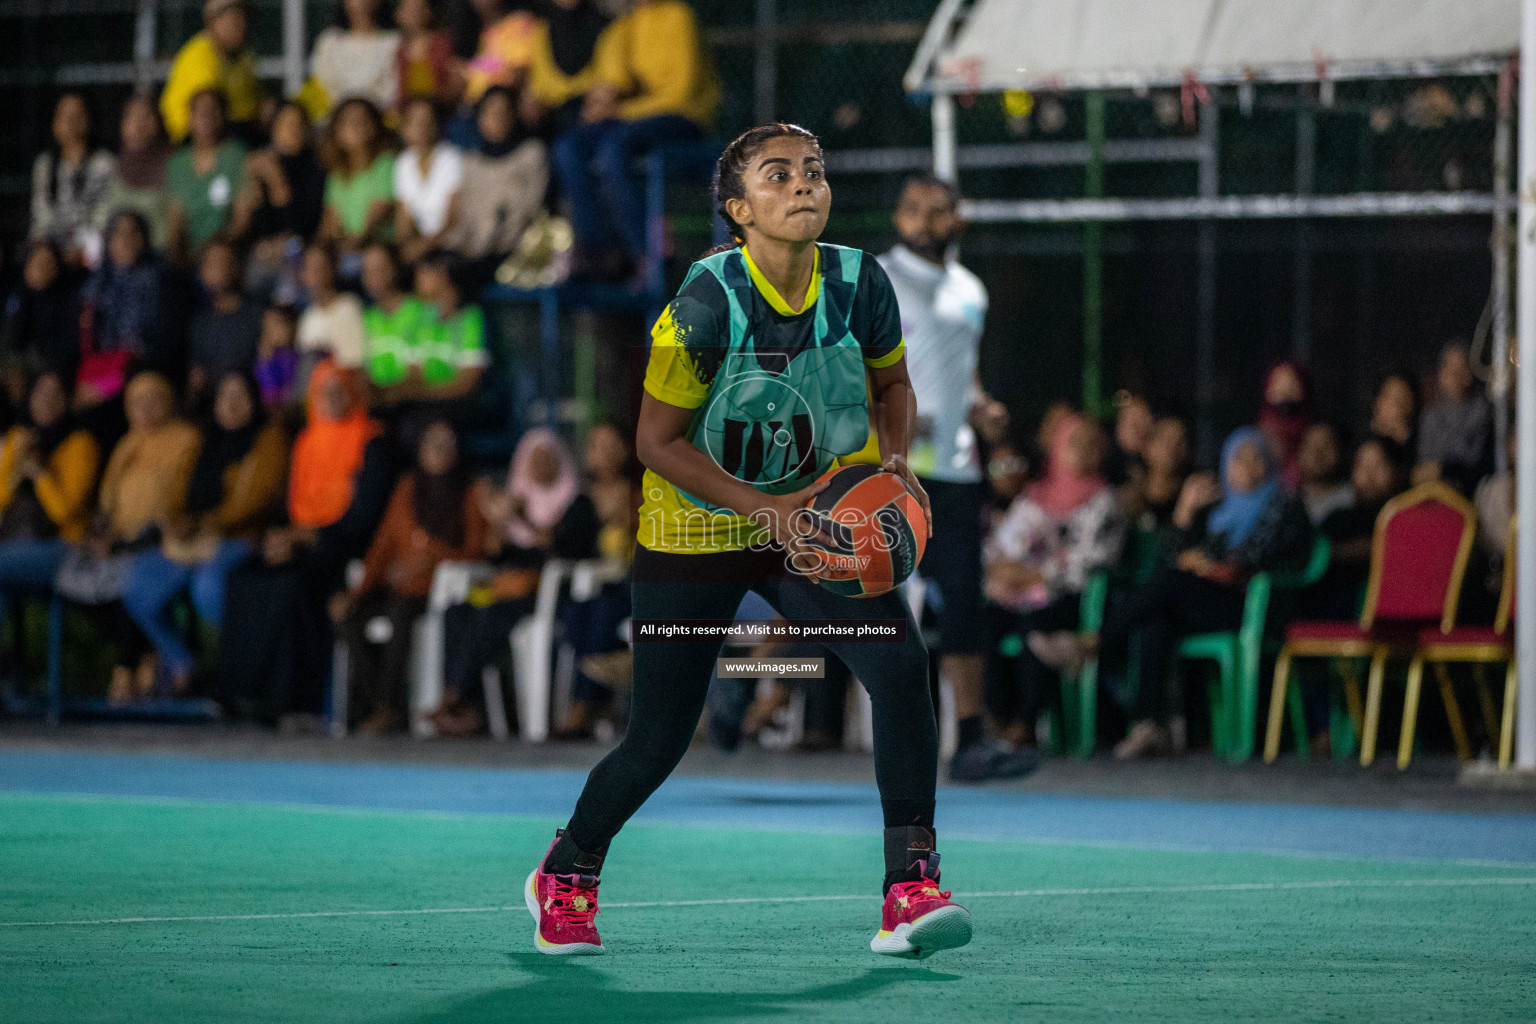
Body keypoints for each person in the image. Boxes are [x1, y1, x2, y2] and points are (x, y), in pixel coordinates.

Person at [524, 124, 970, 961]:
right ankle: (567, 869)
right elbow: (656, 441)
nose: (804, 185)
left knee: (901, 667)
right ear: (739, 211)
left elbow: (894, 384)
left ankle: (910, 888)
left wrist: (899, 464)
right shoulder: (703, 301)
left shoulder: (858, 280)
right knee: (659, 736)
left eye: (814, 171)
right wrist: (762, 511)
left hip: (816, 519)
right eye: (779, 176)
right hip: (696, 524)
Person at [876, 173, 1029, 782]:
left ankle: (969, 739)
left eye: (937, 212)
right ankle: (756, 687)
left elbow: (961, 375)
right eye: (912, 209)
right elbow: (847, 363)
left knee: (965, 600)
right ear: (898, 216)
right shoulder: (876, 279)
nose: (924, 222)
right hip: (888, 468)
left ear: (956, 220)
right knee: (839, 592)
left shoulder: (969, 290)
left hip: (957, 472)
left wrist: (982, 407)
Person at [1037, 428, 1312, 759]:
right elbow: (1166, 558)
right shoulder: (1217, 512)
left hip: (1255, 606)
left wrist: (1208, 565)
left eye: (1256, 458)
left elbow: (1259, 560)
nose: (1247, 467)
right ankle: (1147, 726)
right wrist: (1183, 512)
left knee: (1171, 584)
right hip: (1207, 602)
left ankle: (1091, 644)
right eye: (1239, 459)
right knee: (1158, 615)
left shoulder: (1283, 504)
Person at [219, 359, 392, 721]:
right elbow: (290, 506)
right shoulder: (306, 441)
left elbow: (363, 518)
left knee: (291, 586)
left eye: (339, 389)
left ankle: (294, 700)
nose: (331, 397)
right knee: (243, 577)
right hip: (302, 540)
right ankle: (241, 694)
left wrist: (308, 536)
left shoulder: (371, 441)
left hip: (343, 546)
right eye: (323, 390)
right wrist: (282, 537)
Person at [122, 373, 285, 692]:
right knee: (138, 584)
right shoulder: (204, 441)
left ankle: (248, 672)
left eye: (241, 397)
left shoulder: (268, 439)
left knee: (208, 588)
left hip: (242, 537)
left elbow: (259, 497)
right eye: (225, 397)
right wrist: (176, 520)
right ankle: (184, 664)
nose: (233, 405)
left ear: (255, 402)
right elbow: (179, 491)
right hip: (193, 541)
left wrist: (207, 523)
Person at [434, 428, 597, 737]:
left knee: (490, 615)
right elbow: (494, 555)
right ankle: (465, 701)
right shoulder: (514, 498)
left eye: (548, 458)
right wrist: (497, 521)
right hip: (503, 586)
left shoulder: (576, 503)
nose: (540, 466)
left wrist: (523, 520)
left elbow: (560, 551)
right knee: (459, 608)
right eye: (534, 459)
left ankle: (457, 699)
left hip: (541, 592)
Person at [331, 419, 484, 733]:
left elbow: (474, 552)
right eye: (431, 444)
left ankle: (387, 707)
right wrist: (357, 592)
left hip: (436, 593)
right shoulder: (406, 489)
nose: (438, 452)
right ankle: (379, 704)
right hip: (396, 585)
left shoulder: (468, 493)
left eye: (446, 444)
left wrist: (432, 561)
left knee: (401, 614)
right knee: (349, 618)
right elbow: (383, 545)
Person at [984, 414, 1122, 752]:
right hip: (1022, 594)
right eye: (1075, 444)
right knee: (984, 624)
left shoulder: (1104, 502)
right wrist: (1007, 571)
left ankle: (1026, 721)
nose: (1084, 452)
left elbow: (1090, 563)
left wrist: (1037, 575)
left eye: (1092, 445)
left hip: (1073, 599)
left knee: (1035, 624)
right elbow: (999, 551)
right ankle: (997, 718)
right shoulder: (1034, 497)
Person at [554, 0, 718, 281]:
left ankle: (648, 254)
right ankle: (602, 250)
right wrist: (602, 99)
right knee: (569, 147)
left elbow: (679, 96)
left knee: (613, 149)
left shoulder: (677, 16)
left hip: (681, 117)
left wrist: (619, 110)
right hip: (630, 120)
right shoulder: (624, 27)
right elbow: (611, 81)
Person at [69, 372, 201, 702]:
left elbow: (181, 497)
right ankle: (146, 653)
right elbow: (107, 502)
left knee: (130, 579)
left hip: (161, 538)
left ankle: (127, 666)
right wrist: (106, 535)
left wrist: (144, 531)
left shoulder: (185, 439)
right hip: (118, 540)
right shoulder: (127, 444)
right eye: (137, 402)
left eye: (153, 401)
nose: (145, 409)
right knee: (78, 584)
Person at [1293, 434, 1411, 753]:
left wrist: (1359, 551)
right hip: (1329, 609)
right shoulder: (1338, 518)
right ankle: (1323, 729)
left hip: (1391, 616)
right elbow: (1317, 555)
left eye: (1378, 465)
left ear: (1398, 472)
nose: (1368, 475)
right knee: (1301, 619)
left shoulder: (1408, 517)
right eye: (1361, 465)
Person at [0, 373, 101, 628]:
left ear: (67, 400)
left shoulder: (81, 444)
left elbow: (63, 513)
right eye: (40, 393)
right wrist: (14, 480)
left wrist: (41, 474)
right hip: (12, 538)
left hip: (62, 544)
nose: (46, 400)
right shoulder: (19, 437)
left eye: (55, 394)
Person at [77, 210, 181, 427]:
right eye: (118, 234)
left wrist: (116, 379)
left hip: (144, 372)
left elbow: (167, 341)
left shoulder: (162, 280)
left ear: (145, 239)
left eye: (134, 233)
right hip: (102, 372)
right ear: (109, 242)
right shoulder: (95, 286)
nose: (126, 240)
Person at [440, 87, 547, 266]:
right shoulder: (470, 162)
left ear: (514, 115)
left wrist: (493, 247)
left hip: (515, 251)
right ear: (480, 118)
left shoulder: (532, 154)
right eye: (490, 111)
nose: (497, 118)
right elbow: (464, 220)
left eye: (504, 111)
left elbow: (530, 210)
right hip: (473, 253)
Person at [239, 102, 327, 291]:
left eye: (298, 125)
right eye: (286, 124)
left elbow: (303, 225)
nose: (292, 131)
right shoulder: (262, 162)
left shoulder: (316, 168)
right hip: (267, 251)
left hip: (303, 248)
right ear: (274, 129)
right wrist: (255, 185)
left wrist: (277, 182)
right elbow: (260, 226)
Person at [30, 94, 115, 265]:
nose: (71, 123)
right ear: (55, 124)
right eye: (65, 116)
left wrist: (80, 252)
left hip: (91, 254)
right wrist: (47, 250)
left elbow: (103, 218)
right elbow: (41, 218)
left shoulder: (104, 163)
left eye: (78, 116)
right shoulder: (45, 165)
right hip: (52, 253)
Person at [161, 0, 262, 145]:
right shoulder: (201, 53)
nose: (242, 25)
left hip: (232, 134)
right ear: (212, 21)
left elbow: (253, 107)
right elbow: (208, 111)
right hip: (189, 144)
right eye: (234, 19)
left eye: (245, 17)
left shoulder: (242, 57)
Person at [166, 89, 249, 258]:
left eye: (213, 109)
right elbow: (176, 221)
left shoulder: (235, 156)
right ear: (190, 118)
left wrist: (214, 249)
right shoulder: (178, 163)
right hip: (190, 253)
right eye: (200, 110)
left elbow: (242, 220)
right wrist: (177, 256)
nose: (207, 115)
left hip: (226, 249)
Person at [2, 239, 83, 404]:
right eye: (36, 262)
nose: (41, 268)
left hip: (56, 372)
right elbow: (13, 340)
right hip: (23, 370)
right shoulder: (18, 296)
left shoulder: (68, 299)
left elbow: (70, 346)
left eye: (48, 263)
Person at [187, 240, 263, 407]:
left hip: (254, 404)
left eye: (223, 262)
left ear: (236, 267)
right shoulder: (199, 322)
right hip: (214, 409)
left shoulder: (258, 315)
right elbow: (197, 377)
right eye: (210, 263)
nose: (217, 269)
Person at [320, 98, 398, 257]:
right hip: (345, 248)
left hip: (378, 248)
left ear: (373, 125)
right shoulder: (337, 174)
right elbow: (330, 222)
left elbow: (379, 212)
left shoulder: (385, 163)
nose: (356, 126)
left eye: (362, 120)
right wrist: (320, 248)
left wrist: (351, 245)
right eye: (348, 121)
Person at [99, 96, 174, 253]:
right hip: (119, 260)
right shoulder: (111, 166)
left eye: (146, 117)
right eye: (131, 116)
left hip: (160, 258)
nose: (138, 124)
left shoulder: (174, 165)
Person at [393, 98, 464, 263]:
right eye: (414, 122)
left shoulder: (452, 158)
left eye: (427, 121)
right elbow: (403, 220)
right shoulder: (403, 162)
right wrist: (402, 250)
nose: (420, 128)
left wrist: (421, 246)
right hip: (419, 246)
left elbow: (453, 219)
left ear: (437, 126)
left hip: (449, 245)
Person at [1415, 341, 1492, 493]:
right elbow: (1424, 465)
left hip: (1472, 491)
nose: (1455, 375)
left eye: (1461, 367)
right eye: (1449, 368)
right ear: (1440, 373)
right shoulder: (1430, 415)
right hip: (1434, 491)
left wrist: (1446, 469)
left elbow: (1477, 464)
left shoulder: (1485, 412)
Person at [306, 0, 401, 118]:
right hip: (334, 119)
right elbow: (321, 85)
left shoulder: (393, 42)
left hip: (380, 120)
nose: (361, 3)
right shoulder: (329, 42)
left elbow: (392, 88)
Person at [524, 0, 607, 132]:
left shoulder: (602, 24)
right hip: (551, 110)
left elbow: (608, 79)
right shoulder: (542, 28)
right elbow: (537, 82)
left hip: (588, 106)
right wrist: (532, 100)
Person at [296, 241, 367, 380]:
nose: (315, 273)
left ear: (332, 270)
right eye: (310, 267)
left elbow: (355, 361)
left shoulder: (348, 307)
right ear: (303, 275)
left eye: (320, 266)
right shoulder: (307, 317)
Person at [460, 0, 539, 106]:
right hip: (475, 109)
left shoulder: (519, 21)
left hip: (505, 106)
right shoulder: (476, 32)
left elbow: (519, 74)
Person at [394, 0, 461, 111]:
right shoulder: (395, 47)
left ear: (429, 12)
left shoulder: (443, 43)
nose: (414, 13)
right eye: (409, 9)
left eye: (419, 8)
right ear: (398, 14)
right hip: (406, 110)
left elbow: (453, 77)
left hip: (439, 108)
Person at [1257, 361, 1311, 489]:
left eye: (1291, 383)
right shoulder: (1258, 433)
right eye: (1278, 383)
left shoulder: (1313, 431)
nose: (1284, 391)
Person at [1297, 421, 1353, 526]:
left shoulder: (1352, 502)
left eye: (1326, 446)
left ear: (1342, 451)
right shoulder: (1291, 498)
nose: (1316, 454)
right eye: (1310, 446)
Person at [253, 305, 301, 415]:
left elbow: (289, 394)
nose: (270, 332)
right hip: (273, 414)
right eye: (266, 327)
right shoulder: (264, 360)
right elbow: (268, 396)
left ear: (291, 326)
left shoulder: (296, 357)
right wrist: (265, 362)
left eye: (276, 324)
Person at [1368, 370, 1418, 451]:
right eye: (1386, 396)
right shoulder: (1363, 437)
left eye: (1398, 400)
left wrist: (1401, 435)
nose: (1391, 405)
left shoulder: (1422, 441)